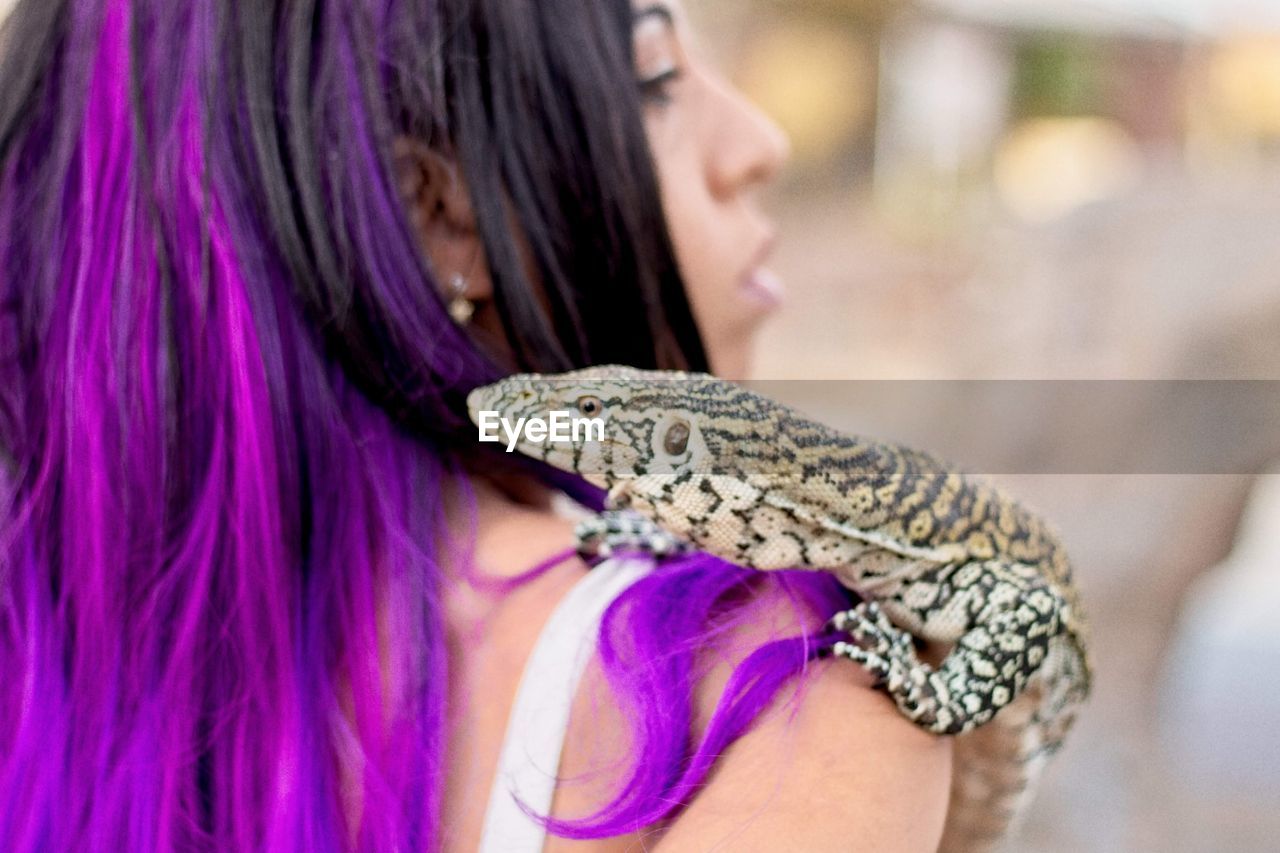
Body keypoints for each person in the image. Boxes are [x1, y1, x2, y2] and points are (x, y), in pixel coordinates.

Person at [0, 0, 951, 850]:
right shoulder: (775, 691)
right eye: (657, 77)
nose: (759, 141)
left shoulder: (46, 653)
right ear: (440, 212)